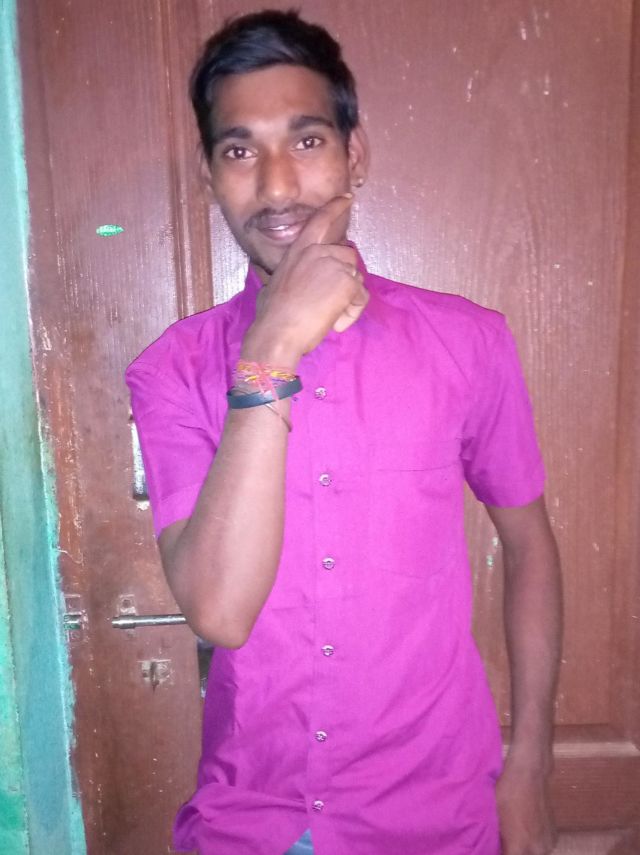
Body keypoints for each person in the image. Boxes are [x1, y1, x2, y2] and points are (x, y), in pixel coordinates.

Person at [126, 9, 562, 855]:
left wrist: (532, 762)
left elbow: (530, 544)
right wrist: (271, 349)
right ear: (210, 176)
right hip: (251, 822)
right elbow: (219, 608)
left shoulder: (468, 343)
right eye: (240, 151)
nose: (277, 185)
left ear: (355, 155)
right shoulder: (172, 370)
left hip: (435, 818)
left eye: (307, 140)